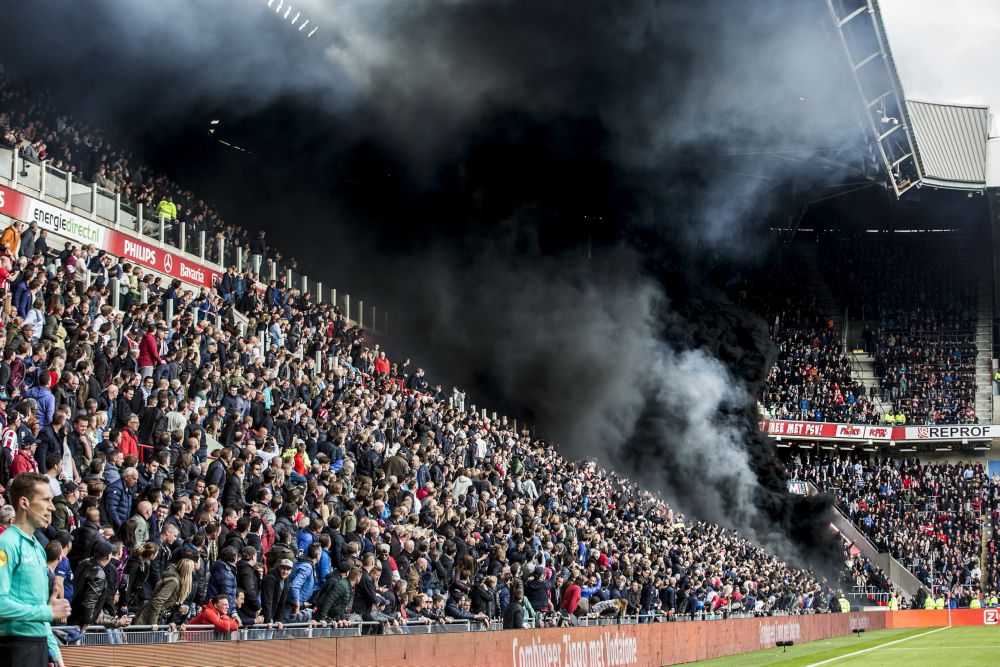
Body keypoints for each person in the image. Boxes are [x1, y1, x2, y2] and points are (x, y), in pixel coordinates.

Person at [0, 473, 72, 667]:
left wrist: (52, 649)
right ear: (24, 503)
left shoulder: (38, 548)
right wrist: (47, 612)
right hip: (15, 648)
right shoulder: (7, 544)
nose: (51, 507)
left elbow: (42, 606)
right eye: (46, 500)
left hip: (38, 646)